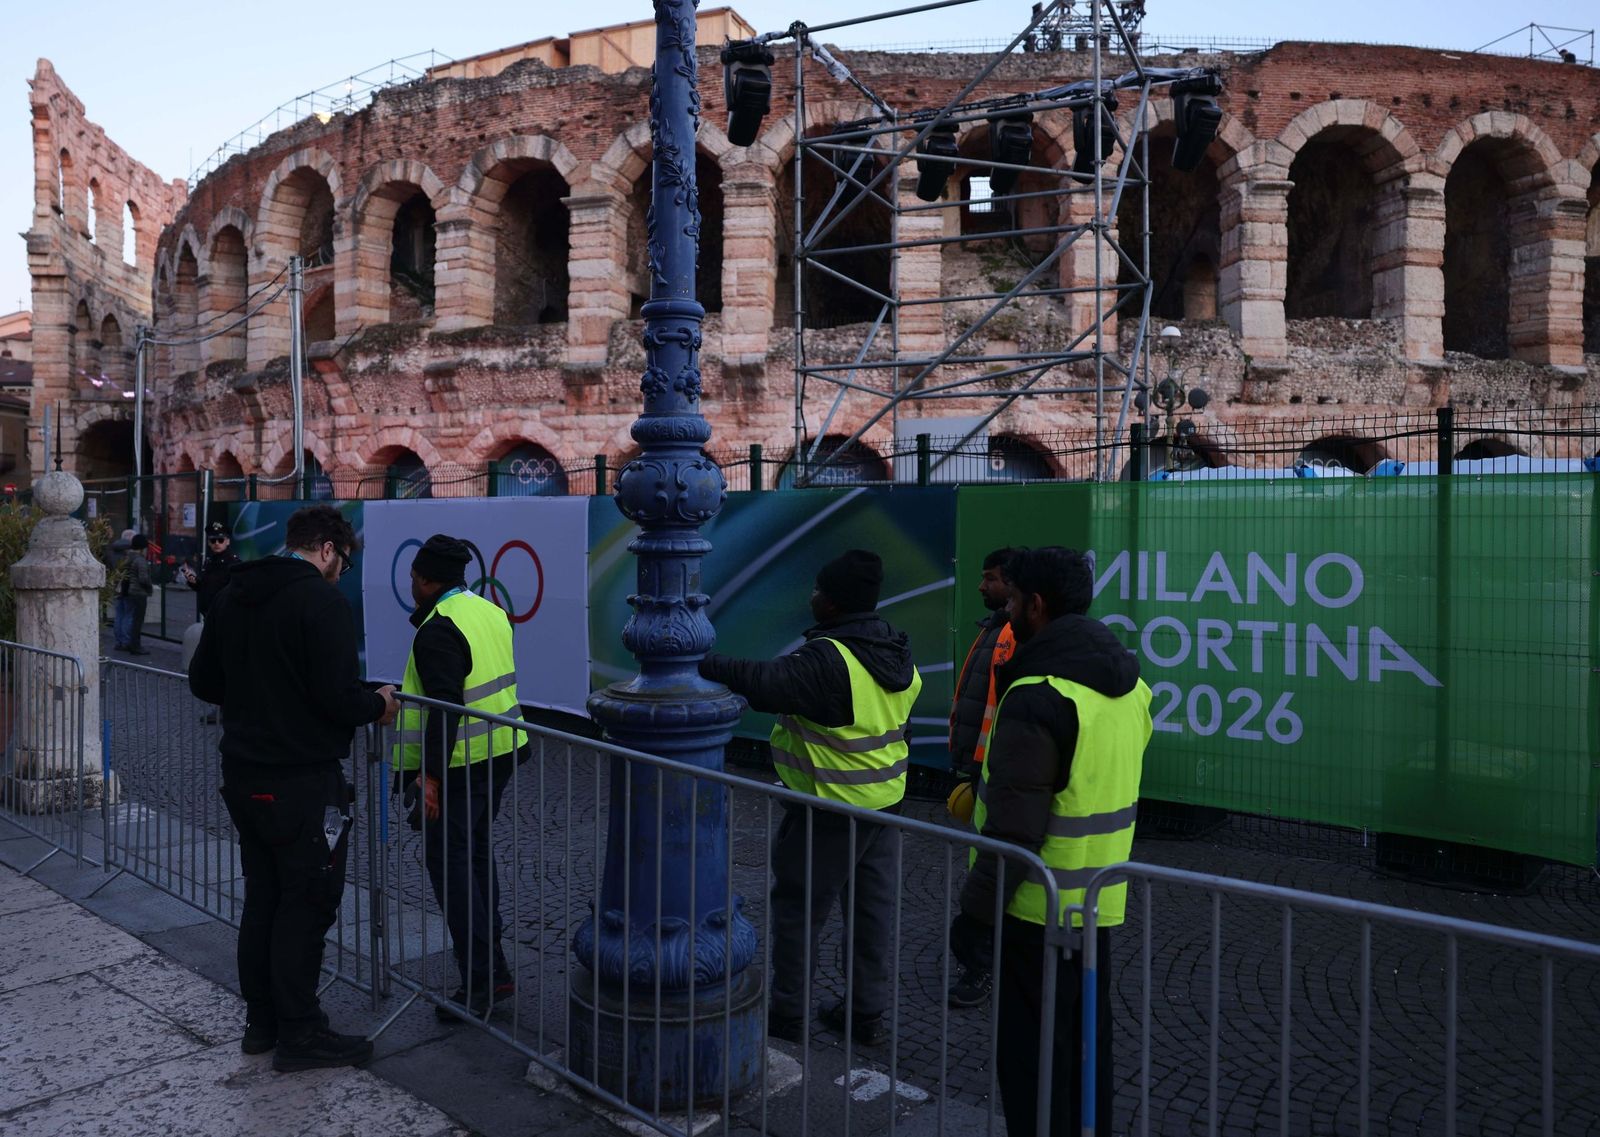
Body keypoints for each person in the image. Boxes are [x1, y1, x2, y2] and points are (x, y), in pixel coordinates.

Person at [189, 504, 398, 1073]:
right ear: (328, 550)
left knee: (263, 900)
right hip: (302, 779)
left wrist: (256, 696)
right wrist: (376, 704)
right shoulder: (321, 602)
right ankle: (301, 1033)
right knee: (306, 904)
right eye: (345, 562)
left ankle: (263, 1024)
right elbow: (337, 697)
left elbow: (204, 680)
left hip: (244, 773)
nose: (342, 573)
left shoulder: (235, 592)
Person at [950, 546, 1152, 1137]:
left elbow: (1014, 829)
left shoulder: (1037, 694)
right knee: (1087, 1049)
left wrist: (975, 915)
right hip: (1097, 901)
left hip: (1034, 911)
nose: (1005, 611)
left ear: (1036, 606)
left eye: (1011, 599)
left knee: (1032, 1060)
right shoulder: (1128, 685)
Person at [699, 549, 922, 1045]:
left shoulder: (828, 660)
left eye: (818, 591)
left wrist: (695, 658)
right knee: (871, 915)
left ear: (834, 604)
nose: (812, 597)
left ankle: (788, 1014)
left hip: (829, 811)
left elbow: (764, 681)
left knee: (800, 912)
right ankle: (865, 1015)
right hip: (884, 808)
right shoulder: (895, 649)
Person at [393, 534, 529, 1021]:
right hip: (499, 754)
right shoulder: (488, 611)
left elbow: (444, 709)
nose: (411, 585)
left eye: (413, 578)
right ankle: (494, 971)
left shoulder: (437, 628)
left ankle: (481, 984)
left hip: (457, 769)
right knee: (471, 859)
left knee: (453, 871)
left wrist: (428, 779)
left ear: (428, 580)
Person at [945, 545, 1017, 1007]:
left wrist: (977, 765)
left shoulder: (1010, 636)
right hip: (981, 767)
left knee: (990, 876)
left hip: (992, 771)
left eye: (990, 578)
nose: (981, 585)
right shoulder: (994, 629)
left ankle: (981, 970)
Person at [183, 519, 242, 616]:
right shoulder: (209, 561)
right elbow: (204, 587)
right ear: (209, 543)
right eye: (213, 540)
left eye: (221, 540)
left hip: (225, 614)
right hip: (208, 614)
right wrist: (193, 581)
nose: (217, 543)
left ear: (227, 542)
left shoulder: (234, 563)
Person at [115, 534, 154, 655]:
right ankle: (132, 644)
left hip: (124, 590)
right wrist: (149, 587)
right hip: (137, 592)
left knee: (121, 616)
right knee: (134, 619)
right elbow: (143, 578)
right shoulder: (140, 560)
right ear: (143, 548)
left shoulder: (126, 557)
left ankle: (121, 641)